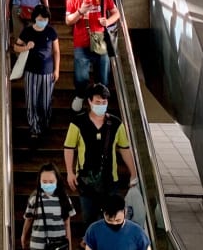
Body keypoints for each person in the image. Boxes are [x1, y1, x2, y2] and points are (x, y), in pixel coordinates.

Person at [64, 83, 138, 229]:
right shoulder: (78, 122)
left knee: (111, 218)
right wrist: (70, 172)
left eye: (104, 103)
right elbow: (69, 147)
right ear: (90, 102)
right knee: (89, 218)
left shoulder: (116, 123)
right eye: (98, 102)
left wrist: (133, 173)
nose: (101, 105)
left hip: (110, 180)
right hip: (86, 180)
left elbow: (124, 148)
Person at [65, 0, 119, 112]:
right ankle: (81, 95)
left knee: (103, 75)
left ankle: (101, 99)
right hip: (81, 42)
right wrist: (80, 11)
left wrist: (107, 21)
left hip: (100, 41)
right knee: (81, 75)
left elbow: (116, 13)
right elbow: (68, 21)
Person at [12, 5, 59, 139]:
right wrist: (26, 47)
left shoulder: (51, 31)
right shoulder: (27, 31)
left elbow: (56, 51)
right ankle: (34, 128)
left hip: (47, 72)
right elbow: (16, 47)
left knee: (45, 103)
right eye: (40, 18)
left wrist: (56, 70)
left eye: (45, 19)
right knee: (31, 101)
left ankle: (45, 125)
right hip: (31, 72)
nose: (42, 21)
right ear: (34, 19)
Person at [21, 162, 75, 250]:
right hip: (37, 245)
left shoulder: (64, 198)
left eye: (51, 182)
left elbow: (67, 224)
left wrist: (70, 246)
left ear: (57, 180)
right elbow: (28, 219)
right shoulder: (34, 197)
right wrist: (23, 236)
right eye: (44, 182)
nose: (48, 184)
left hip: (59, 246)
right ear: (39, 181)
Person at [83, 194, 151, 250]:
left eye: (118, 220)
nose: (114, 223)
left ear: (125, 211)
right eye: (109, 220)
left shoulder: (137, 231)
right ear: (103, 213)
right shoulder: (93, 230)